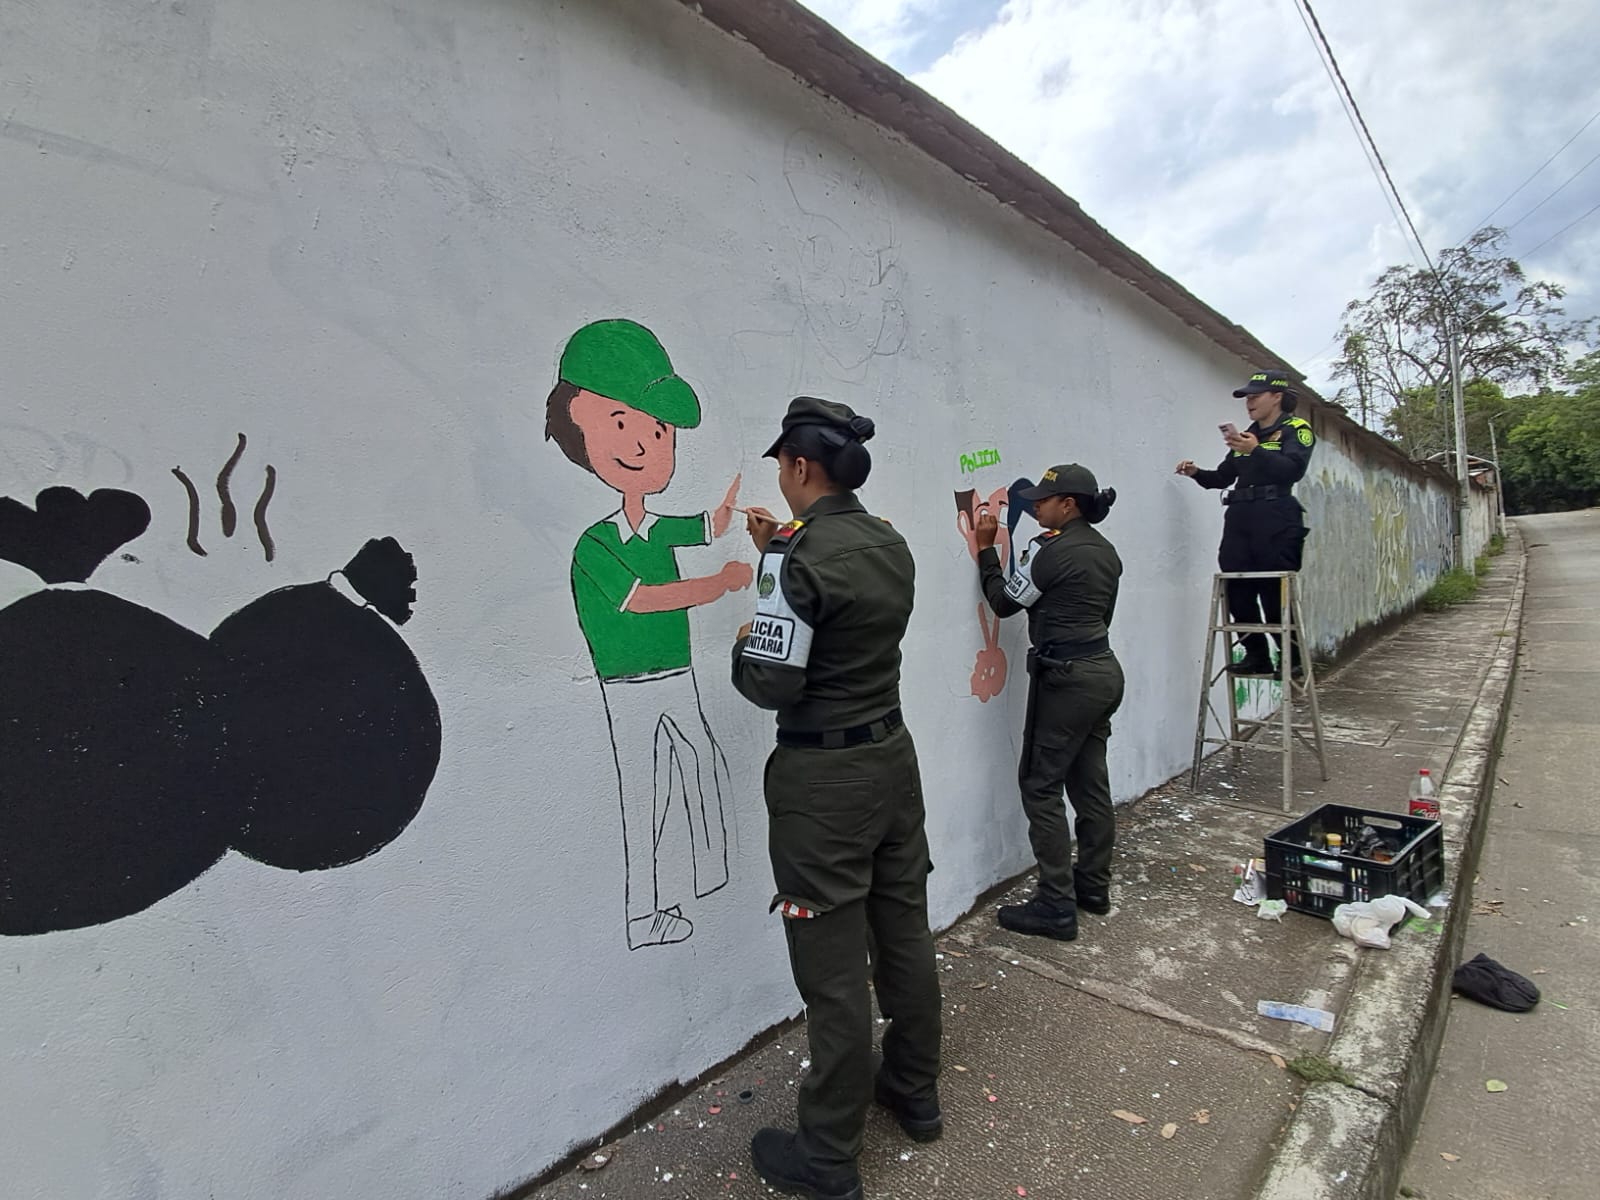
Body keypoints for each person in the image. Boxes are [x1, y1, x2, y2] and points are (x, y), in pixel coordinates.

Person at [731, 397, 942, 1200]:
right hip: (893, 762)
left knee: (833, 974)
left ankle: (827, 1159)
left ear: (798, 467)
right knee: (904, 932)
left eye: (780, 467)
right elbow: (849, 613)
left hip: (824, 787)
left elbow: (770, 681)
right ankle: (914, 1091)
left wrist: (756, 617)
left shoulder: (794, 559)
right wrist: (777, 557)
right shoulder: (887, 540)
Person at [546, 318, 751, 950]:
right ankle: (643, 916)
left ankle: (710, 876)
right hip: (629, 684)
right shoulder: (595, 545)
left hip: (677, 673)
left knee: (701, 763)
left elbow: (699, 527)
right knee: (646, 795)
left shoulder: (654, 527)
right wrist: (715, 587)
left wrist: (727, 514)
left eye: (657, 429)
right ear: (578, 425)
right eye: (622, 423)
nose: (645, 443)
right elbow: (645, 601)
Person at [973, 463, 1124, 942]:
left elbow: (1003, 603)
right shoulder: (1106, 551)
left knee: (1040, 785)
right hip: (1102, 672)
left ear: (1070, 505)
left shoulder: (1051, 553)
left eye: (1044, 499)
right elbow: (1104, 614)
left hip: (1066, 681)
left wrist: (985, 549)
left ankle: (1056, 905)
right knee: (1089, 781)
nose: (1035, 505)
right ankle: (1092, 888)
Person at [1176, 369, 1316, 678]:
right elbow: (1224, 477)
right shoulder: (1245, 436)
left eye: (1255, 396)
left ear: (1276, 397)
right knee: (1236, 585)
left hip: (1276, 515)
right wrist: (1196, 472)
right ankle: (1256, 654)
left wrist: (1255, 450)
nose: (1249, 402)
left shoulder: (1296, 429)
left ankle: (1290, 657)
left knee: (1273, 590)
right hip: (1240, 517)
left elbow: (1291, 470)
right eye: (1246, 397)